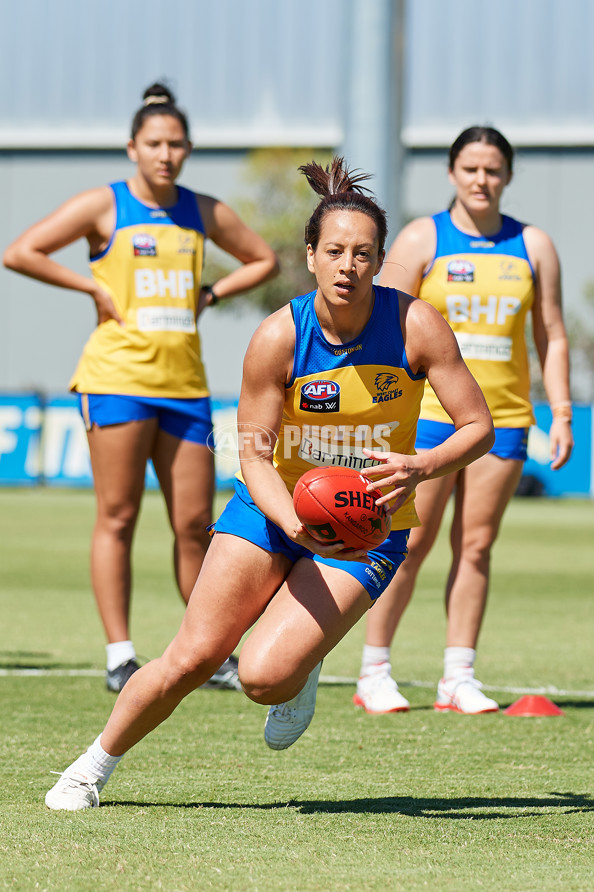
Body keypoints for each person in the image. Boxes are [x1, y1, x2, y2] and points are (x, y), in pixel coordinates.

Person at [43, 156, 494, 811]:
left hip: (368, 528)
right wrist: (290, 520)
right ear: (309, 256)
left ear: (381, 259)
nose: (348, 266)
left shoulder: (415, 325)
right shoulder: (279, 336)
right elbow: (253, 453)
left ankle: (302, 664)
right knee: (194, 656)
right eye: (334, 251)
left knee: (261, 678)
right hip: (272, 508)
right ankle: (91, 767)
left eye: (363, 254)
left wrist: (423, 466)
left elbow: (477, 427)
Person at [3, 82, 279, 692]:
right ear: (133, 147)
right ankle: (119, 656)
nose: (166, 154)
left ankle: (210, 651)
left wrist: (211, 294)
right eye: (155, 143)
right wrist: (92, 289)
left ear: (187, 150)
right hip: (116, 380)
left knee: (194, 523)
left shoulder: (201, 210)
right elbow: (21, 252)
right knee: (119, 516)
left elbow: (263, 259)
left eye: (177, 144)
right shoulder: (104, 206)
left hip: (184, 385)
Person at [354, 126, 574, 717]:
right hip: (426, 418)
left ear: (507, 175)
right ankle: (374, 670)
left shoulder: (535, 244)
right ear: (452, 173)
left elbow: (551, 334)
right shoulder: (425, 237)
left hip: (502, 419)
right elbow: (383, 324)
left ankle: (458, 676)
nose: (482, 180)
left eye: (493, 170)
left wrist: (562, 411)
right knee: (411, 542)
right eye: (471, 169)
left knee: (476, 547)